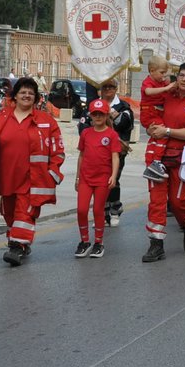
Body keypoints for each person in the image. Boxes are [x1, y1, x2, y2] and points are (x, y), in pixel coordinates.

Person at [0, 77, 64, 267]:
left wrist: (52, 172)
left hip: (33, 179)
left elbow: (57, 150)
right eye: (23, 92)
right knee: (10, 214)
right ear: (15, 96)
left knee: (25, 212)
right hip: (6, 176)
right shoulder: (1, 117)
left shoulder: (46, 121)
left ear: (36, 98)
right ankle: (18, 239)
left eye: (31, 93)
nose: (27, 95)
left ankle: (17, 247)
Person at [141, 62, 185, 261]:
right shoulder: (166, 95)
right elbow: (149, 113)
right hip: (157, 157)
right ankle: (156, 244)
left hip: (181, 159)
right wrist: (150, 128)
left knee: (178, 203)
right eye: (181, 75)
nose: (184, 79)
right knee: (157, 202)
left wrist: (167, 131)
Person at [83, 78, 135, 228]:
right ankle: (102, 214)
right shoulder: (94, 105)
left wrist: (111, 113)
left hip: (117, 151)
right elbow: (84, 126)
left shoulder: (123, 106)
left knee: (112, 181)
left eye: (111, 87)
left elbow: (125, 125)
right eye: (104, 87)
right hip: (96, 151)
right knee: (99, 182)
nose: (107, 90)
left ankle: (114, 210)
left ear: (116, 88)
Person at [74, 100, 121, 259]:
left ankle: (98, 243)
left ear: (107, 115)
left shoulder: (112, 135)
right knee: (81, 209)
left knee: (97, 210)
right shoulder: (86, 133)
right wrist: (77, 177)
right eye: (95, 114)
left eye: (101, 114)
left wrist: (113, 176)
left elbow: (115, 157)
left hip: (103, 179)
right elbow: (81, 155)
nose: (98, 116)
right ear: (91, 115)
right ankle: (85, 241)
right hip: (86, 178)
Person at [138, 57, 174, 181]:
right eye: (162, 73)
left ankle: (151, 163)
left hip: (157, 112)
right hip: (149, 112)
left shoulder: (162, 82)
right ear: (152, 71)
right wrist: (165, 88)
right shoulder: (147, 82)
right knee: (163, 133)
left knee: (156, 138)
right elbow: (148, 91)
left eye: (165, 73)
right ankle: (157, 161)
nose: (164, 76)